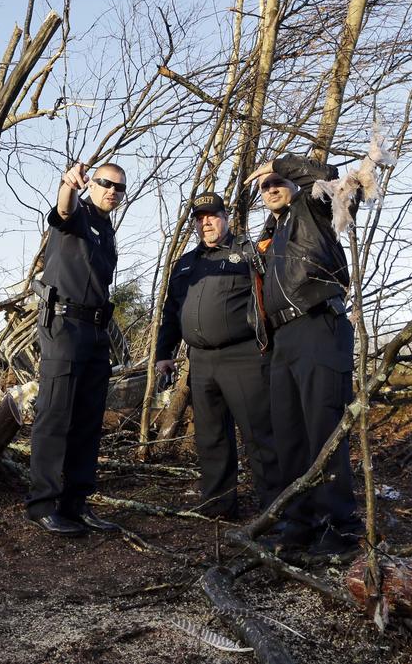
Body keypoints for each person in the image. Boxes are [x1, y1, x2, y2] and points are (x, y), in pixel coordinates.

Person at [246, 153, 362, 554]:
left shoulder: (313, 209)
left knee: (323, 432)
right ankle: (299, 524)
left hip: (319, 326)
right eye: (265, 185)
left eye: (278, 181)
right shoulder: (271, 235)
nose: (272, 187)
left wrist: (274, 162)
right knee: (289, 437)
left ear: (292, 185)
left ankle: (339, 528)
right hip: (282, 340)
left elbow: (327, 175)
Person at [154, 192, 280, 520]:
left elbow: (272, 297)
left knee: (259, 434)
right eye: (199, 217)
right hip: (200, 361)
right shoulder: (186, 263)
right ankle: (219, 505)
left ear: (225, 217)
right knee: (210, 437)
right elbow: (171, 310)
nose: (205, 222)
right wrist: (164, 353)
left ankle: (275, 509)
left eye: (211, 215)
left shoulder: (248, 252)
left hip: (244, 356)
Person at [26, 161, 126, 536]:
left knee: (88, 420)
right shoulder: (79, 214)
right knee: (55, 416)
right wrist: (68, 184)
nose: (112, 191)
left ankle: (76, 503)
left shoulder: (107, 227)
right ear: (91, 185)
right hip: (64, 327)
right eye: (105, 183)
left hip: (97, 330)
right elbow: (62, 209)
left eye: (119, 187)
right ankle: (43, 505)